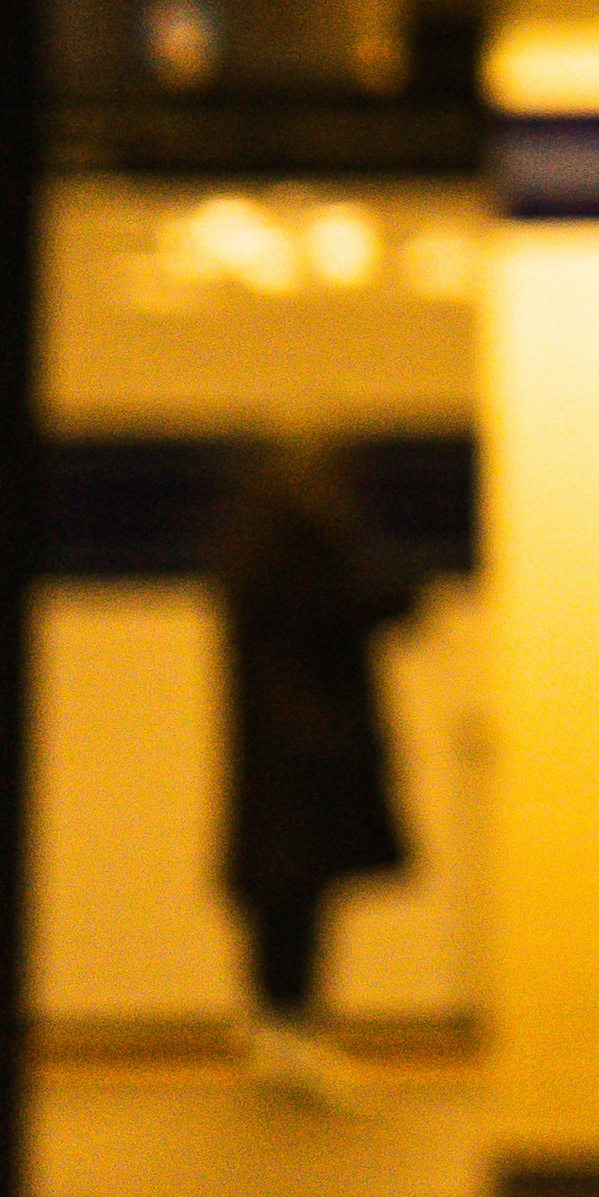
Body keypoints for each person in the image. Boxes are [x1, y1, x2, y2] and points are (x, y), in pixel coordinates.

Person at [208, 432, 413, 1109]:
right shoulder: (300, 539)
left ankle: (277, 1027)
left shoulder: (253, 545)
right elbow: (340, 610)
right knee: (301, 894)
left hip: (282, 753)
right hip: (313, 748)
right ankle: (291, 1030)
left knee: (283, 896)